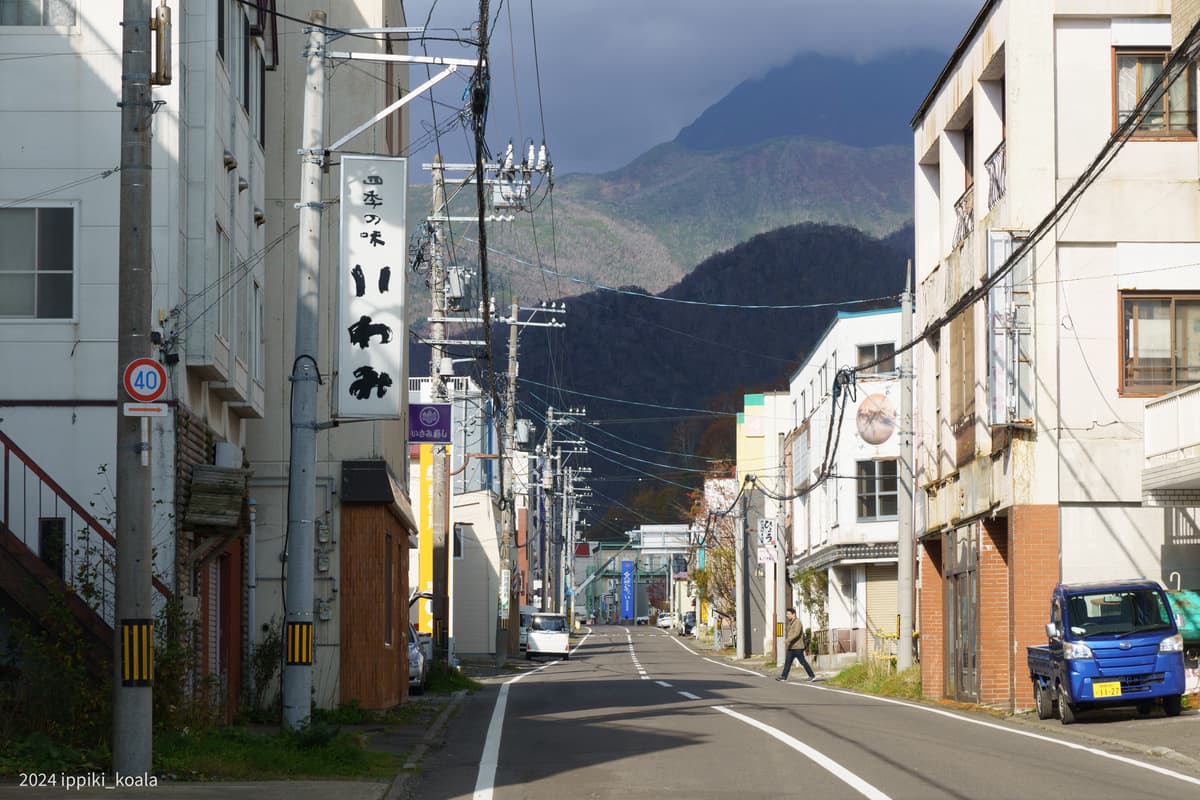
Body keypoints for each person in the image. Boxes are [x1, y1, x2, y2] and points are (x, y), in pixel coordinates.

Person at [777, 608, 816, 682]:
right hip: (791, 647)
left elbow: (796, 633)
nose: (787, 615)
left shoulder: (797, 622)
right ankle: (783, 676)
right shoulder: (791, 622)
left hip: (798, 647)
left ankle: (812, 676)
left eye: (788, 614)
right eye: (787, 614)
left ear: (793, 614)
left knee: (803, 662)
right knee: (787, 662)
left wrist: (787, 640)